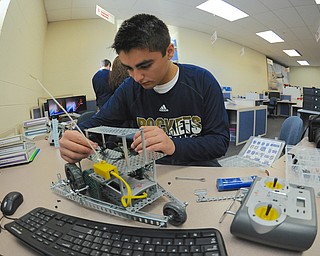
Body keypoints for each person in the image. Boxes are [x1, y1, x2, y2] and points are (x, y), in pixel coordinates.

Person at [60, 13, 230, 167]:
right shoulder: (129, 89)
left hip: (198, 170)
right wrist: (75, 137)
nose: (137, 77)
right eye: (129, 68)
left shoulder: (203, 82)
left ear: (169, 51)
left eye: (145, 66)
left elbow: (219, 142)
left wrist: (173, 145)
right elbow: (98, 122)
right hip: (151, 172)